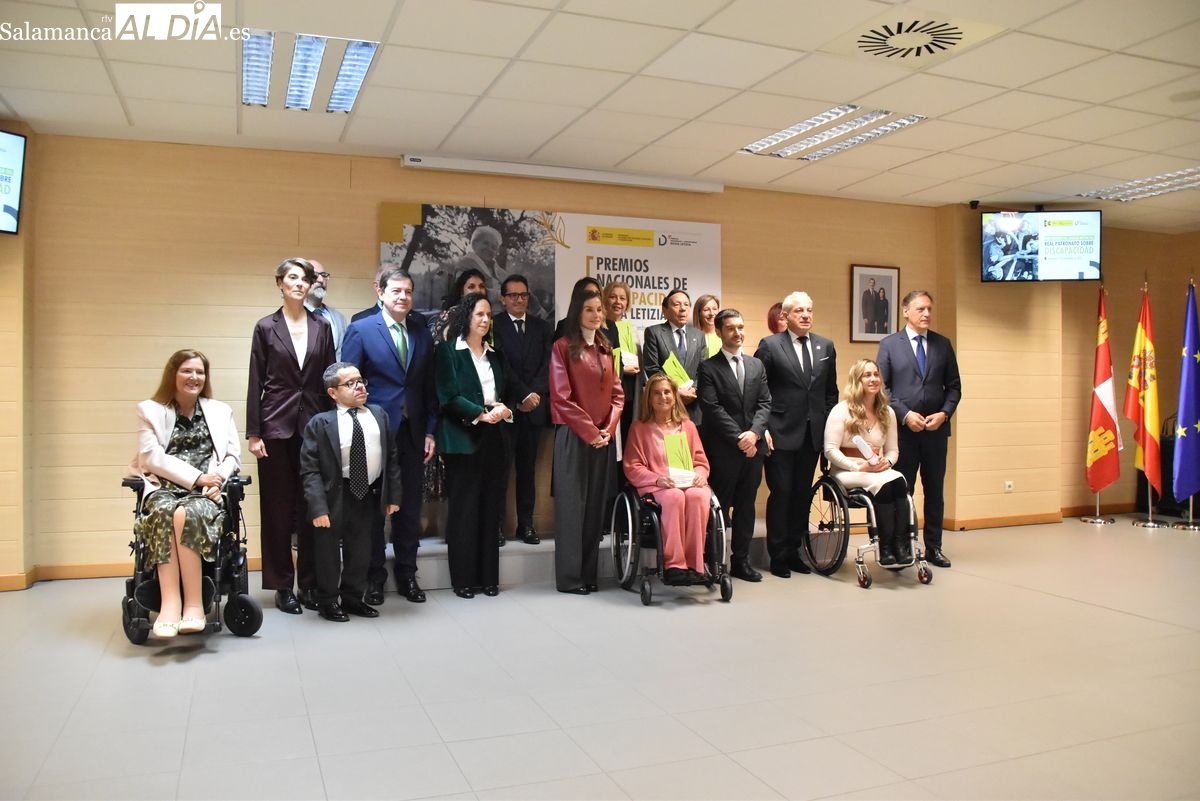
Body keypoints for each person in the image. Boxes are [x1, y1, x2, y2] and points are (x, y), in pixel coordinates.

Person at [341, 267, 438, 604]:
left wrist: (429, 431)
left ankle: (408, 574)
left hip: (413, 434)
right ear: (380, 292)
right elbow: (348, 385)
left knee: (410, 508)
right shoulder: (361, 329)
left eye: (408, 292)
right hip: (373, 434)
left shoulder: (422, 333)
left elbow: (428, 388)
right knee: (372, 511)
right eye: (396, 291)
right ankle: (373, 577)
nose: (403, 297)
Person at [247, 257, 336, 615]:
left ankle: (310, 584)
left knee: (312, 506)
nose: (300, 284)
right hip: (275, 427)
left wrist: (333, 426)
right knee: (278, 509)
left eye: (306, 279)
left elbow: (330, 379)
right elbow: (256, 380)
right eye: (293, 278)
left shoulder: (322, 326)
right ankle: (282, 585)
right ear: (280, 283)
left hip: (315, 426)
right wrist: (254, 432)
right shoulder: (265, 327)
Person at [131, 349, 241, 638]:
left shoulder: (220, 411)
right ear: (173, 374)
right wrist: (198, 478)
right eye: (187, 371)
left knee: (186, 513)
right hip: (164, 488)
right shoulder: (150, 410)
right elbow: (150, 457)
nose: (194, 377)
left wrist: (216, 479)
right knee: (166, 511)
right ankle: (170, 602)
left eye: (200, 372)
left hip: (207, 492)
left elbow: (232, 456)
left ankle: (193, 604)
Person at [299, 362, 402, 621]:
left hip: (367, 492)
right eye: (350, 383)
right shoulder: (320, 423)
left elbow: (391, 459)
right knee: (327, 553)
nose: (360, 387)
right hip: (334, 494)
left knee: (361, 549)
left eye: (360, 381)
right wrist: (318, 507)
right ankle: (328, 601)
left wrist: (393, 496)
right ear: (333, 393)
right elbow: (309, 470)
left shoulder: (379, 415)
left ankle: (354, 598)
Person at [754, 291, 838, 578]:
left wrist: (827, 431)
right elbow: (758, 389)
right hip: (778, 433)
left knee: (802, 495)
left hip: (811, 435)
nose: (805, 315)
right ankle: (777, 554)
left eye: (809, 310)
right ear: (785, 316)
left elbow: (830, 393)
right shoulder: (770, 345)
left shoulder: (825, 346)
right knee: (782, 493)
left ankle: (795, 551)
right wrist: (761, 428)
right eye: (799, 310)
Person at [435, 293, 514, 597]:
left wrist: (505, 409)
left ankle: (488, 579)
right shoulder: (448, 352)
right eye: (479, 314)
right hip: (462, 439)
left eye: (489, 316)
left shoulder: (495, 355)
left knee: (490, 509)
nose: (485, 320)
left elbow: (505, 392)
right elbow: (448, 396)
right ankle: (464, 580)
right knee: (464, 511)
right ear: (467, 317)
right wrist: (481, 415)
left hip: (494, 439)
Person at [877, 290, 961, 569]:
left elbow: (955, 387)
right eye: (920, 309)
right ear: (905, 311)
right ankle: (902, 547)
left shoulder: (942, 344)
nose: (926, 314)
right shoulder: (890, 345)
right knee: (903, 490)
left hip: (936, 432)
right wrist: (905, 414)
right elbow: (883, 389)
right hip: (904, 433)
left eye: (929, 309)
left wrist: (944, 414)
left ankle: (934, 547)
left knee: (935, 490)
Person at [549, 288, 624, 594]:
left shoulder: (606, 348)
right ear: (578, 312)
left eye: (599, 310)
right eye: (589, 310)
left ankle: (589, 574)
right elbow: (561, 398)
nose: (596, 315)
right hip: (573, 436)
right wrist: (591, 432)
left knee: (595, 507)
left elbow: (618, 395)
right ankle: (570, 579)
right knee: (571, 509)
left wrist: (608, 429)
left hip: (603, 439)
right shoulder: (562, 347)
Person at [697, 309, 771, 582]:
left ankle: (741, 561)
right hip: (724, 449)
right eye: (731, 328)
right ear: (719, 332)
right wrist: (741, 438)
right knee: (719, 506)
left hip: (754, 449)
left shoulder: (756, 366)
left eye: (740, 327)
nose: (738, 333)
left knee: (746, 506)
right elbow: (712, 408)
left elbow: (765, 403)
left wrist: (754, 435)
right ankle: (714, 562)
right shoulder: (708, 367)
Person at [624, 373, 712, 583]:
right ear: (649, 398)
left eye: (667, 392)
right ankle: (674, 564)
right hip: (656, 485)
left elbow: (700, 461)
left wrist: (700, 475)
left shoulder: (687, 426)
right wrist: (657, 479)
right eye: (656, 393)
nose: (662, 397)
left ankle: (696, 564)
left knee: (699, 496)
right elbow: (632, 466)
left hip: (686, 483)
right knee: (674, 497)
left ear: (674, 396)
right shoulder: (640, 428)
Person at [822, 359, 910, 565]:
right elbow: (830, 450)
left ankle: (901, 544)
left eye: (876, 374)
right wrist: (858, 466)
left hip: (876, 468)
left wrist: (886, 463)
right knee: (885, 485)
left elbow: (892, 450)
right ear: (857, 380)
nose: (873, 379)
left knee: (899, 481)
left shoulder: (887, 412)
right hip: (847, 469)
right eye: (867, 375)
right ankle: (885, 547)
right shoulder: (841, 410)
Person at [492, 274, 552, 546]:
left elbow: (548, 365)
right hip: (506, 409)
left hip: (534, 410)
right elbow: (501, 365)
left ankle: (525, 525)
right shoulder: (494, 324)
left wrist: (534, 394)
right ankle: (497, 526)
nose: (519, 300)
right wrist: (522, 394)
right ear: (502, 299)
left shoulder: (541, 326)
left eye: (523, 295)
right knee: (500, 470)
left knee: (527, 471)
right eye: (513, 295)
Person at [642, 289, 706, 424]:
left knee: (692, 444)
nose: (682, 309)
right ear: (664, 310)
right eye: (676, 305)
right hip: (665, 404)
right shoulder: (654, 333)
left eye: (686, 305)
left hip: (693, 406)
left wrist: (694, 389)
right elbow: (652, 368)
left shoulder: (698, 335)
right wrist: (677, 391)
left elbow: (703, 368)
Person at [433, 267, 488, 343]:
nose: (478, 290)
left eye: (481, 286)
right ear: (462, 293)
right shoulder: (452, 314)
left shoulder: (487, 315)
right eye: (471, 287)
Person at [305, 260, 348, 358]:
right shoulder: (293, 317)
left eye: (324, 275)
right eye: (314, 275)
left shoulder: (339, 318)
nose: (320, 280)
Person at [554, 276, 601, 340]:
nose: (593, 297)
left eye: (597, 293)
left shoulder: (611, 327)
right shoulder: (563, 326)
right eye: (589, 293)